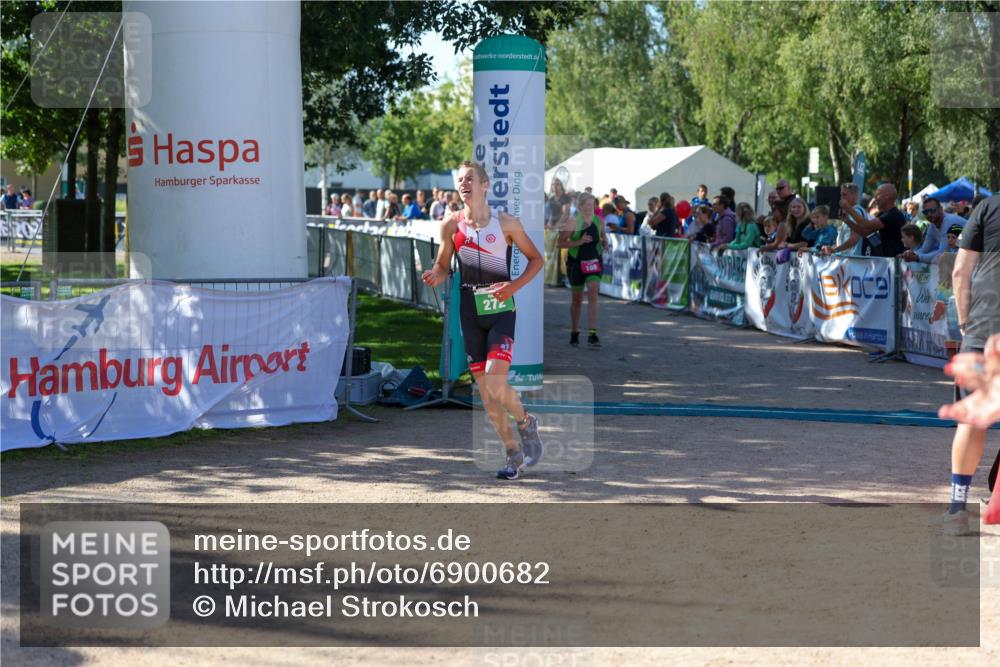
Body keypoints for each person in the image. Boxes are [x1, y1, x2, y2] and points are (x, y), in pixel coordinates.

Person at [421, 161, 545, 480]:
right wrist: (437, 273)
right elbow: (443, 263)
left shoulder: (506, 223)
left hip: (501, 311)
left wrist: (513, 286)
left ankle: (526, 422)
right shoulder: (451, 224)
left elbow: (536, 260)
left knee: (495, 380)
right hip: (470, 313)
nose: (463, 184)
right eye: (460, 180)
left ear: (485, 185)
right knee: (486, 393)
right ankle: (512, 453)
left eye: (469, 179)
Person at [939, 193, 1000, 534]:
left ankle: (957, 510)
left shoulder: (987, 207)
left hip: (985, 325)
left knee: (972, 420)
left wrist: (965, 323)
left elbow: (961, 271)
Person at [558, 191, 605, 348]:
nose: (591, 208)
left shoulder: (599, 220)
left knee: (593, 292)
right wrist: (579, 241)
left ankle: (592, 334)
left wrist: (604, 243)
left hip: (594, 261)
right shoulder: (573, 222)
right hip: (576, 263)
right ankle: (574, 332)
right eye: (588, 205)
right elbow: (560, 243)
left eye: (593, 205)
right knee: (577, 299)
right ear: (581, 206)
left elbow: (603, 237)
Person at [840, 182, 905, 258]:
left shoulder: (893, 214)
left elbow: (866, 225)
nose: (875, 198)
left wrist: (848, 208)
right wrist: (847, 220)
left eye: (878, 195)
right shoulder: (882, 214)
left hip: (895, 261)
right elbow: (865, 232)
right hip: (885, 260)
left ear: (887, 196)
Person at [900, 195, 966, 264]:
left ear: (941, 209)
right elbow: (925, 249)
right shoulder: (932, 225)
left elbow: (942, 253)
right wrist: (910, 254)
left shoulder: (948, 222)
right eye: (925, 212)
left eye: (932, 210)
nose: (929, 214)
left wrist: (917, 257)